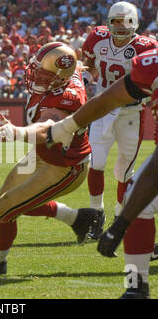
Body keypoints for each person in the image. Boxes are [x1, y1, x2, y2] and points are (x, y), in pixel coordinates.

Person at [28, 48, 158, 298]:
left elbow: (153, 175)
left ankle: (136, 287)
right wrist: (65, 127)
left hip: (132, 122)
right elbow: (108, 99)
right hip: (118, 117)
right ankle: (136, 287)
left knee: (136, 200)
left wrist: (120, 225)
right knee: (138, 201)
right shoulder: (150, 66)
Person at [0, 42, 102, 277]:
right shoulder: (70, 74)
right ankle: (78, 218)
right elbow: (83, 67)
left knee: (6, 208)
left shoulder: (64, 100)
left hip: (65, 167)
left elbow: (47, 127)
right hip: (42, 155)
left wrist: (18, 132)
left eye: (43, 73)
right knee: (8, 201)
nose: (36, 76)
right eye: (37, 70)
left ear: (60, 78)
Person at [80, 1, 157, 239]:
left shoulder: (146, 47)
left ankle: (119, 213)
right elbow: (88, 65)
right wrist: (85, 78)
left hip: (132, 112)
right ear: (108, 22)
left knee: (125, 170)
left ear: (135, 24)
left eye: (126, 22)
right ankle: (96, 214)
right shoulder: (97, 38)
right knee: (96, 163)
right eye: (116, 21)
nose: (121, 26)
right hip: (103, 108)